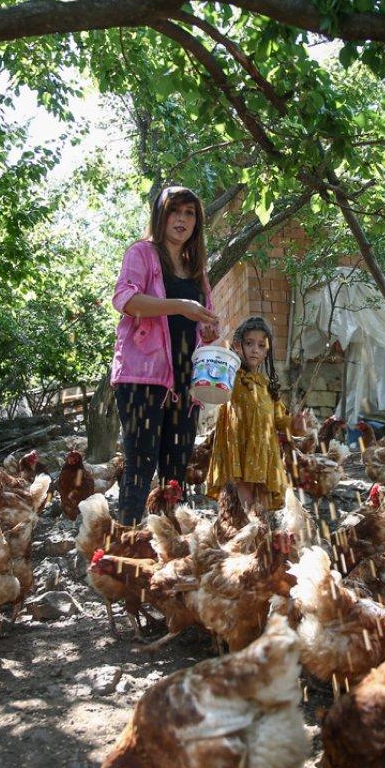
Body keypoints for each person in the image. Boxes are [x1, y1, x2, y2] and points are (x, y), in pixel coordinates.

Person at [111, 186, 219, 525]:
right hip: (142, 378)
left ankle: (170, 549)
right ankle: (126, 543)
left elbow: (205, 320)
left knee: (177, 468)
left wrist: (210, 330)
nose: (182, 219)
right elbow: (125, 300)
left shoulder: (195, 266)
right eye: (175, 211)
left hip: (187, 382)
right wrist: (180, 306)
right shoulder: (142, 253)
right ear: (161, 216)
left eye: (189, 214)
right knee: (140, 462)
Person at [206, 316, 306, 517]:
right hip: (238, 453)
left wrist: (295, 425)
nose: (255, 350)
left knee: (259, 513)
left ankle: (260, 543)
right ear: (237, 345)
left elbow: (280, 420)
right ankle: (238, 539)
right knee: (240, 509)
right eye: (249, 343)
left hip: (263, 456)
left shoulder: (267, 386)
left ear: (266, 352)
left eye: (261, 346)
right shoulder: (230, 377)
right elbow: (211, 380)